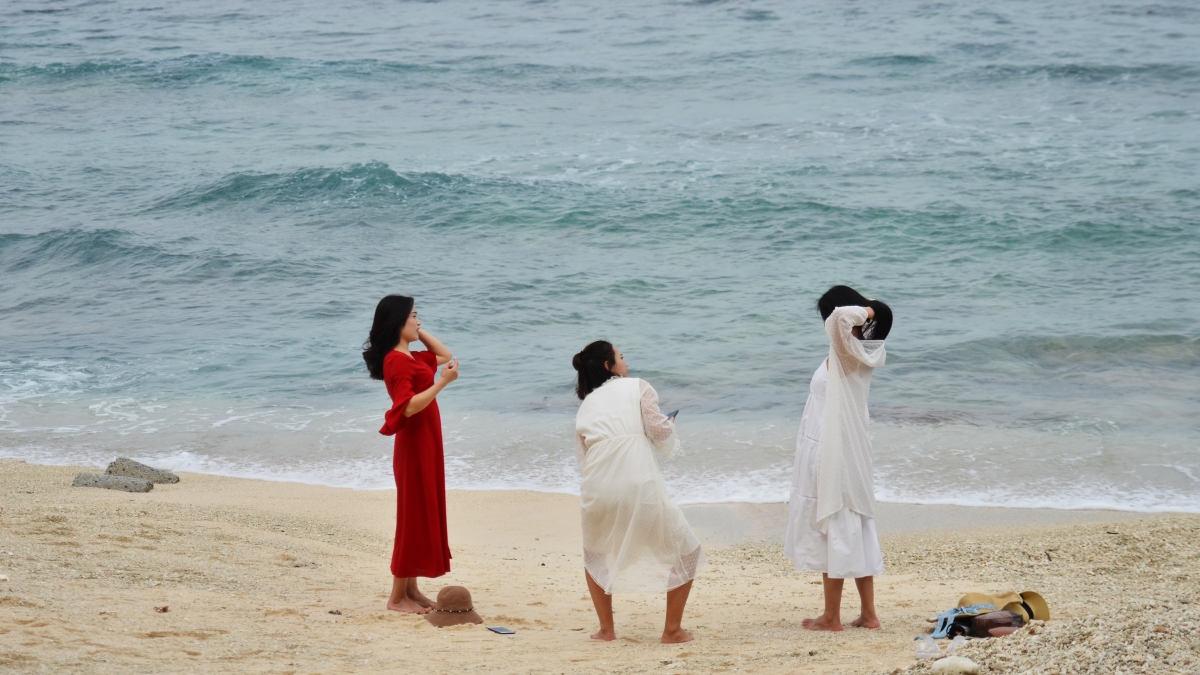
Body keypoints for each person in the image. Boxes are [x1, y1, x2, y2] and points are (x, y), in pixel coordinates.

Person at [572, 341, 704, 644]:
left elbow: (583, 456)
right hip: (637, 483)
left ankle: (606, 630)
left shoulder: (587, 404)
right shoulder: (637, 386)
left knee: (595, 555)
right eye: (621, 357)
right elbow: (658, 432)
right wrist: (669, 425)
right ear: (609, 366)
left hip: (596, 487)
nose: (626, 362)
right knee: (688, 551)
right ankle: (672, 630)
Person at [783, 285, 893, 631]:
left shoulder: (846, 348)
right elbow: (842, 319)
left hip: (833, 449)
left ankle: (831, 617)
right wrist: (871, 307)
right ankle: (868, 614)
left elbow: (840, 318)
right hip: (846, 445)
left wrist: (868, 307)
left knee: (833, 524)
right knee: (854, 524)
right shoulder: (860, 349)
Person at [363, 295, 459, 614]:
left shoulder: (413, 357)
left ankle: (412, 590)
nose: (419, 322)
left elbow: (444, 354)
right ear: (397, 322)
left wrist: (418, 329)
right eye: (414, 316)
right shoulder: (396, 360)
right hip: (414, 443)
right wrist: (442, 384)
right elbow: (407, 407)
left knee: (420, 513)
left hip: (427, 441)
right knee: (411, 517)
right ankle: (396, 598)